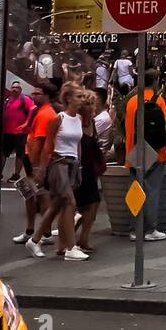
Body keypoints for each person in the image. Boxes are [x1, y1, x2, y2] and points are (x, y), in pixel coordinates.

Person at [27, 86, 88, 261]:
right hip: (58, 163)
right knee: (70, 202)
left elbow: (78, 144)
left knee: (57, 205)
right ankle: (70, 247)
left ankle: (34, 239)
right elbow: (48, 145)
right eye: (79, 96)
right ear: (68, 98)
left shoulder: (79, 118)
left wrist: (79, 165)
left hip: (72, 164)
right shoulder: (58, 118)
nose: (82, 99)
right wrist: (42, 169)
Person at [124, 69, 166, 242]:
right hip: (155, 153)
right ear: (156, 81)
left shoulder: (131, 101)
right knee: (152, 191)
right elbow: (165, 127)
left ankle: (134, 230)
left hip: (134, 151)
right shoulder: (158, 100)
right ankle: (151, 229)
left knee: (136, 191)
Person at [15, 81, 60, 246]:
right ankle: (34, 231)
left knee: (40, 197)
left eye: (37, 93)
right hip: (33, 160)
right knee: (32, 196)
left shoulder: (45, 114)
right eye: (33, 93)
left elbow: (41, 142)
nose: (33, 96)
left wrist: (37, 167)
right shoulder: (41, 111)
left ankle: (43, 233)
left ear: (46, 96)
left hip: (35, 161)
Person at [74, 90, 106, 254]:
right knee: (78, 206)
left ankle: (83, 238)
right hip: (77, 169)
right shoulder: (76, 122)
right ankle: (73, 238)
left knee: (93, 204)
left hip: (90, 170)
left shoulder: (91, 122)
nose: (90, 107)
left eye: (91, 103)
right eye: (87, 103)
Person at [1, 79, 35, 184]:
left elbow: (33, 109)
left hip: (20, 133)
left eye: (17, 88)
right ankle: (0, 173)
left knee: (20, 155)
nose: (15, 89)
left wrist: (26, 124)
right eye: (13, 87)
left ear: (20, 90)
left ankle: (16, 174)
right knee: (3, 154)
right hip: (7, 132)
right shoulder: (8, 100)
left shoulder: (24, 100)